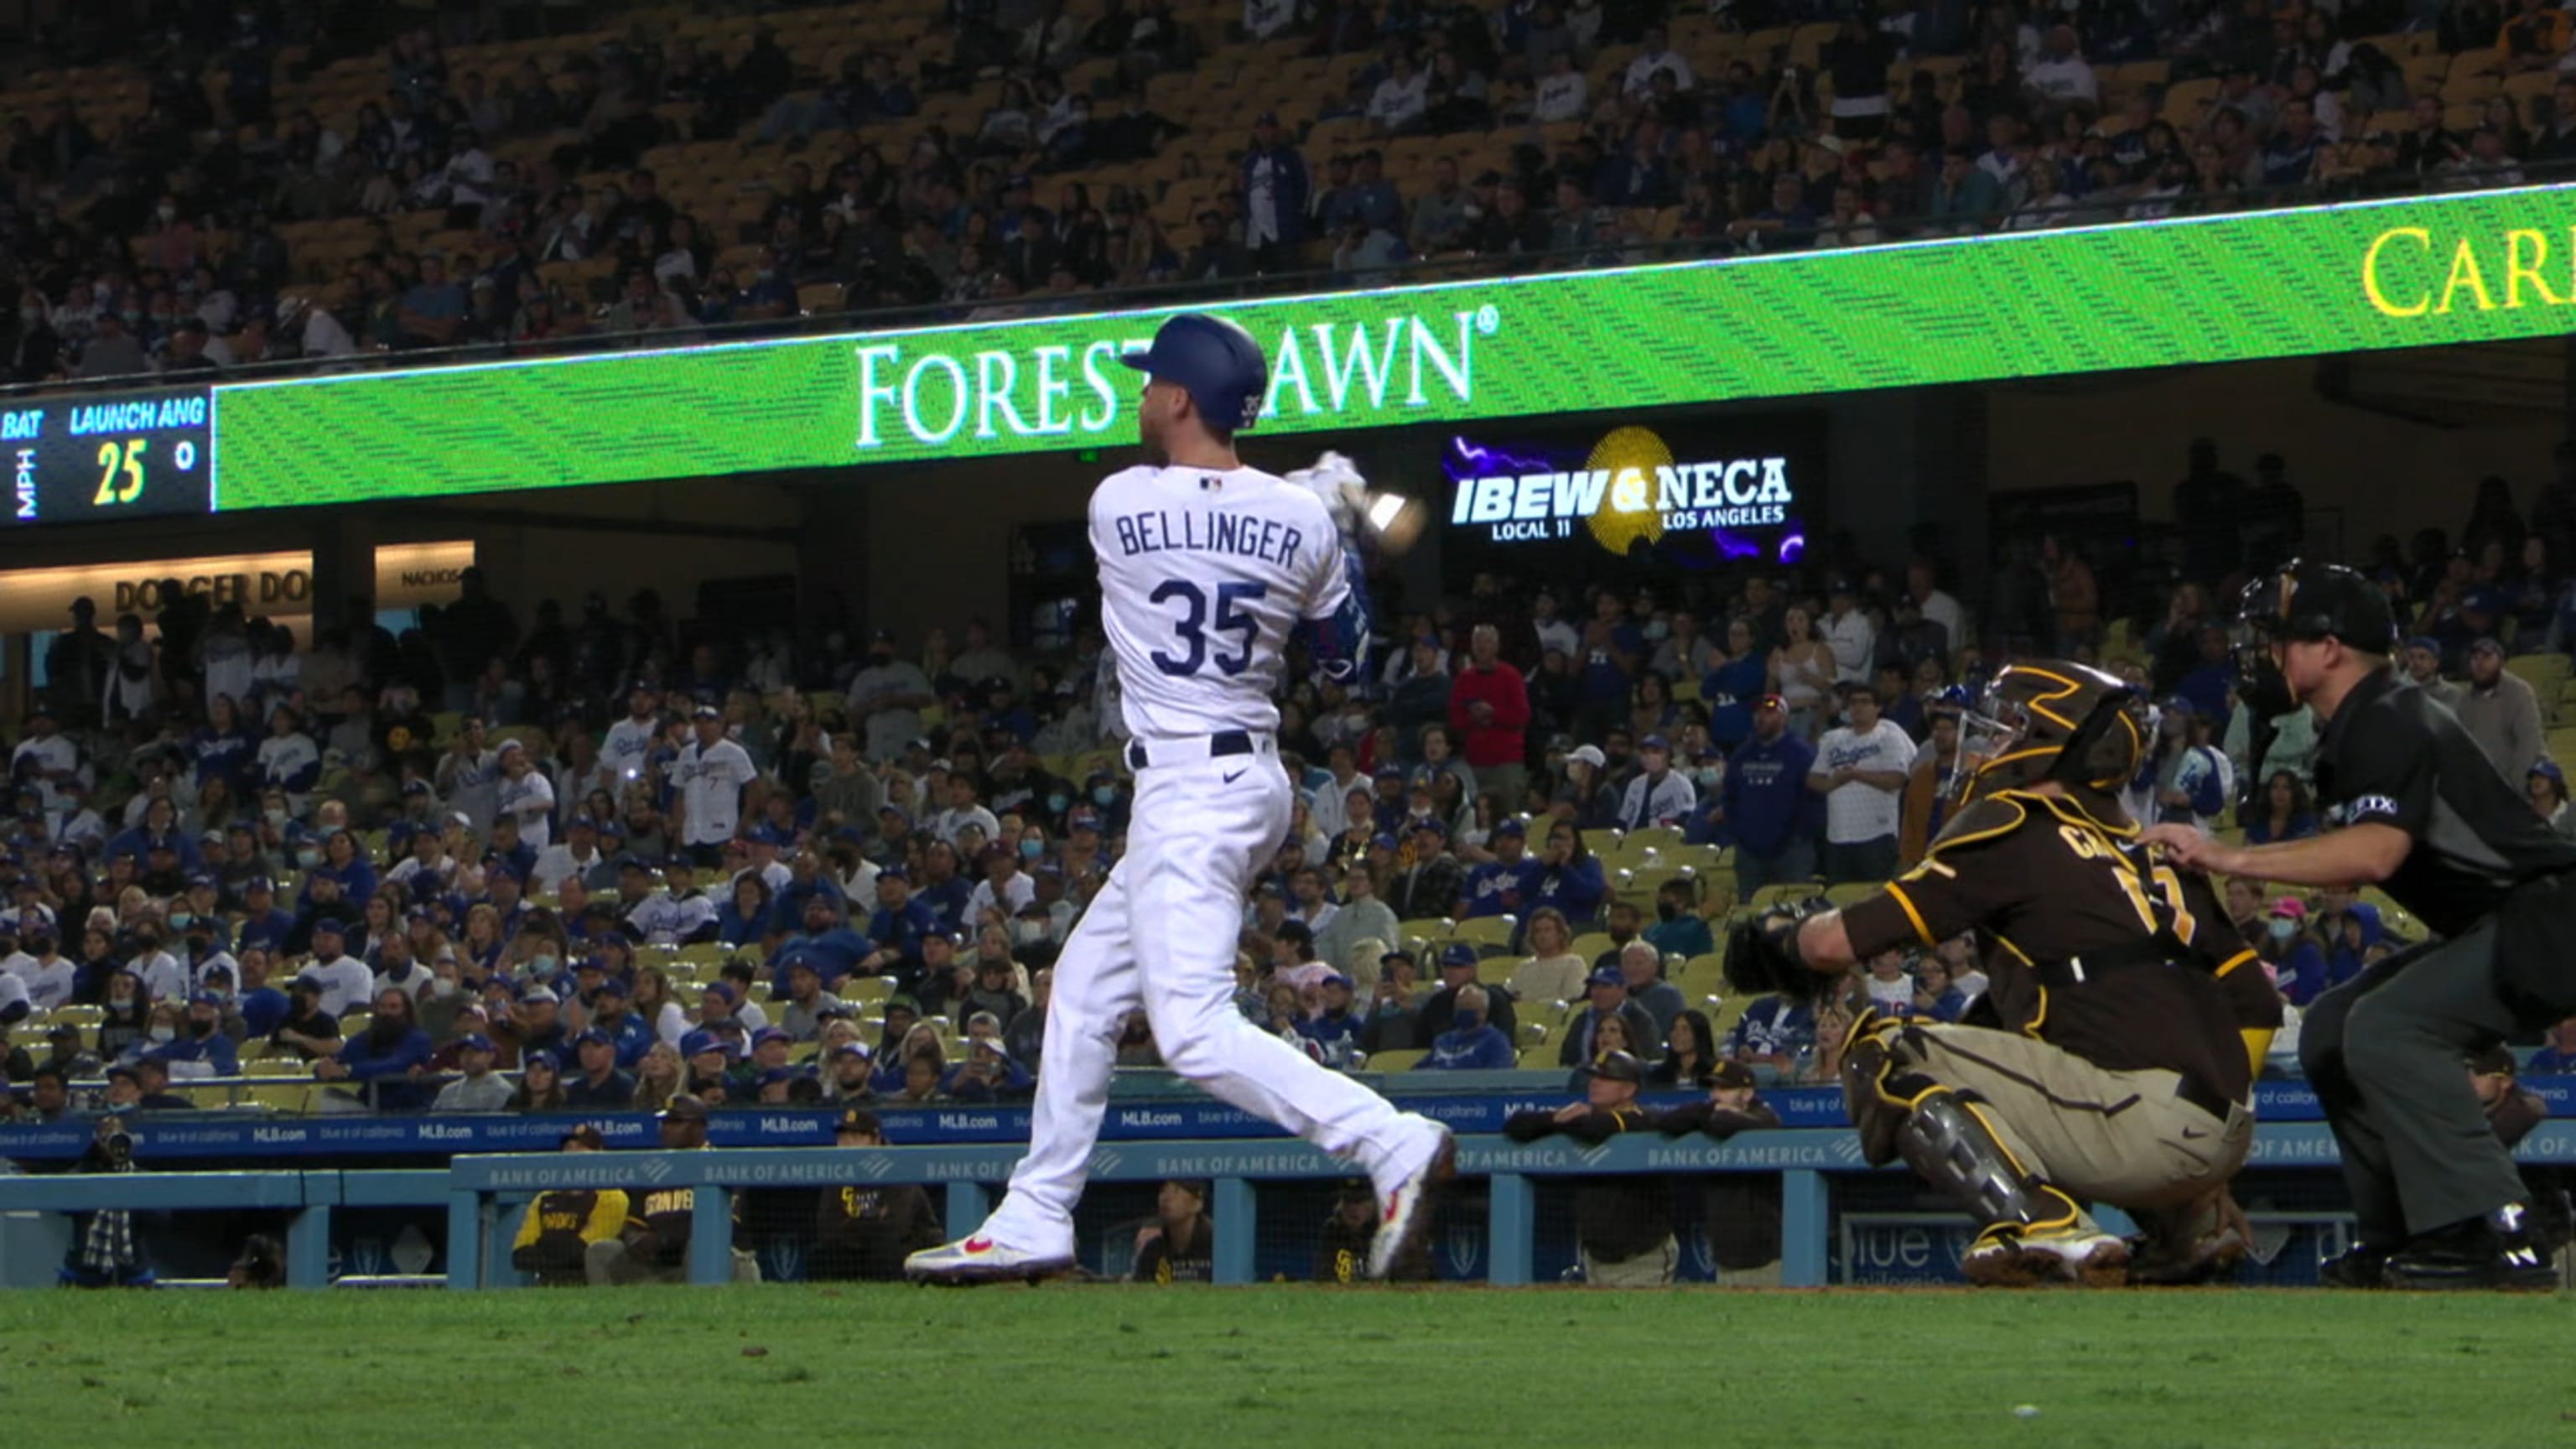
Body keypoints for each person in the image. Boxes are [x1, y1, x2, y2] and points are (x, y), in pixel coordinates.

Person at [908, 314, 1451, 1286]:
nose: (1144, 393)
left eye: (1155, 380)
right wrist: (1328, 512)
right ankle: (1037, 1212)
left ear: (1183, 398)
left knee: (1194, 1029)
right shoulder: (1300, 521)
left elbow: (1203, 508)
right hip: (1251, 777)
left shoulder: (1117, 500)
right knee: (1078, 995)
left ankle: (1388, 1140)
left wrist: (1304, 495)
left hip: (1191, 786)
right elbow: (1344, 658)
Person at [1743, 660, 2283, 1287]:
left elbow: (1836, 943)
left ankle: (2043, 1226)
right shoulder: (2157, 853)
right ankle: (2187, 1223)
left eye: (2008, 730)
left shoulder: (2014, 825)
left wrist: (1783, 933)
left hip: (2137, 1126)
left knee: (1886, 1050)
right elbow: (2258, 1007)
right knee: (2021, 1033)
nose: (1991, 745)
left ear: (2051, 742)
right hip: (2217, 1130)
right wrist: (2208, 1168)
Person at [2149, 562, 2572, 1291]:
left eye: (2279, 638)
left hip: (2547, 916)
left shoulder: (2387, 715)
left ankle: (2499, 1228)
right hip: (2506, 922)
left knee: (2385, 1026)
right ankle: (2409, 1230)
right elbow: (2348, 866)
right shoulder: (2367, 716)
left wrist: (2225, 853)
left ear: (2331, 646)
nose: (2265, 654)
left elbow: (2374, 855)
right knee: (2333, 1029)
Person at [1501, 1049, 1671, 1284]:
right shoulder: (1579, 1115)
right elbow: (1515, 1125)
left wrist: (1568, 1119)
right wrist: (1555, 1118)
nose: (1595, 1083)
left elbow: (1595, 1128)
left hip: (1641, 1257)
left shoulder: (1642, 1118)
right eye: (1594, 1076)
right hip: (1595, 1259)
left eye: (1606, 1078)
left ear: (1629, 1089)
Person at [585, 1096, 761, 1284]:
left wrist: (663, 1240)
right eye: (664, 1122)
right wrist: (635, 1239)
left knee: (700, 1245)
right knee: (601, 1251)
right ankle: (614, 1312)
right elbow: (632, 1224)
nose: (665, 1129)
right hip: (661, 1265)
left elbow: (723, 1229)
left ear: (698, 1127)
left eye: (675, 1122)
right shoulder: (655, 1169)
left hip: (720, 1264)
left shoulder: (721, 1166)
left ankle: (706, 1309)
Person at [811, 1108, 944, 1280]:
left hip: (910, 1250)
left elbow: (895, 1228)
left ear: (875, 1140)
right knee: (823, 1255)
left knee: (886, 1252)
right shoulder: (838, 1171)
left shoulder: (898, 1168)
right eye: (842, 1137)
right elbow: (826, 1227)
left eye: (856, 1137)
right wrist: (869, 1222)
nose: (847, 1144)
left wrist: (851, 1224)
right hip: (860, 1250)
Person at [1810, 685, 1913, 884]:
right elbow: (1813, 779)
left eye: (1865, 702)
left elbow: (1897, 780)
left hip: (1877, 834)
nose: (1858, 707)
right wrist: (1833, 782)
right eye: (1853, 702)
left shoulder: (1888, 735)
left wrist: (1857, 775)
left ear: (1878, 707)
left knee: (1873, 897)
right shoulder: (1833, 739)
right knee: (1840, 898)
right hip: (1838, 835)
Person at [1724, 695, 1820, 894]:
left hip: (1792, 850)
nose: (1761, 717)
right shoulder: (1742, 755)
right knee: (1750, 909)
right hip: (1749, 851)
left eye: (1769, 712)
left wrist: (1798, 835)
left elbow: (1814, 799)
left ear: (1785, 718)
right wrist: (1740, 834)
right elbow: (1730, 796)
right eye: (1758, 712)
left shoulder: (1801, 753)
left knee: (1793, 906)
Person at [509, 1124, 628, 1285]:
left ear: (599, 1153)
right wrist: (560, 1251)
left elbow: (584, 1252)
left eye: (580, 1147)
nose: (572, 1152)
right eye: (568, 1147)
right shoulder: (544, 1198)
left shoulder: (612, 1196)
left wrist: (544, 1246)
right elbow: (520, 1255)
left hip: (591, 1283)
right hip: (548, 1284)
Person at [1130, 1178, 1216, 1284]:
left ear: (1197, 1203)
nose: (1166, 1198)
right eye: (1163, 1191)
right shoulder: (1153, 1250)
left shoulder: (1216, 1246)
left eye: (1176, 1191)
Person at [431, 1033, 513, 1111]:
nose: (469, 1057)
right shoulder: (448, 1091)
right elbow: (433, 1122)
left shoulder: (502, 1090)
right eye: (464, 1052)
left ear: (490, 1056)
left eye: (476, 1052)